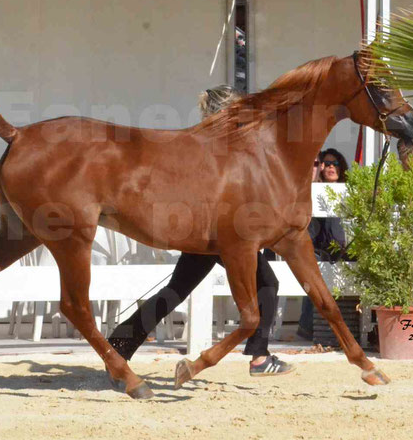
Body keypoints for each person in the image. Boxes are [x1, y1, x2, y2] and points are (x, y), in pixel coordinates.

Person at [107, 85, 293, 377]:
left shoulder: (203, 139)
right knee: (267, 282)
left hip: (205, 233)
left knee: (176, 290)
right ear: (228, 110)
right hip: (219, 234)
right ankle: (259, 356)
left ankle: (120, 344)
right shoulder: (221, 143)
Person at [297, 148, 349, 340]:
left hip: (345, 249)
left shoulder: (350, 190)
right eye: (326, 163)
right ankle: (308, 327)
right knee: (311, 266)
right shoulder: (312, 188)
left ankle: (359, 325)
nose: (331, 167)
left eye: (335, 163)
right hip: (318, 248)